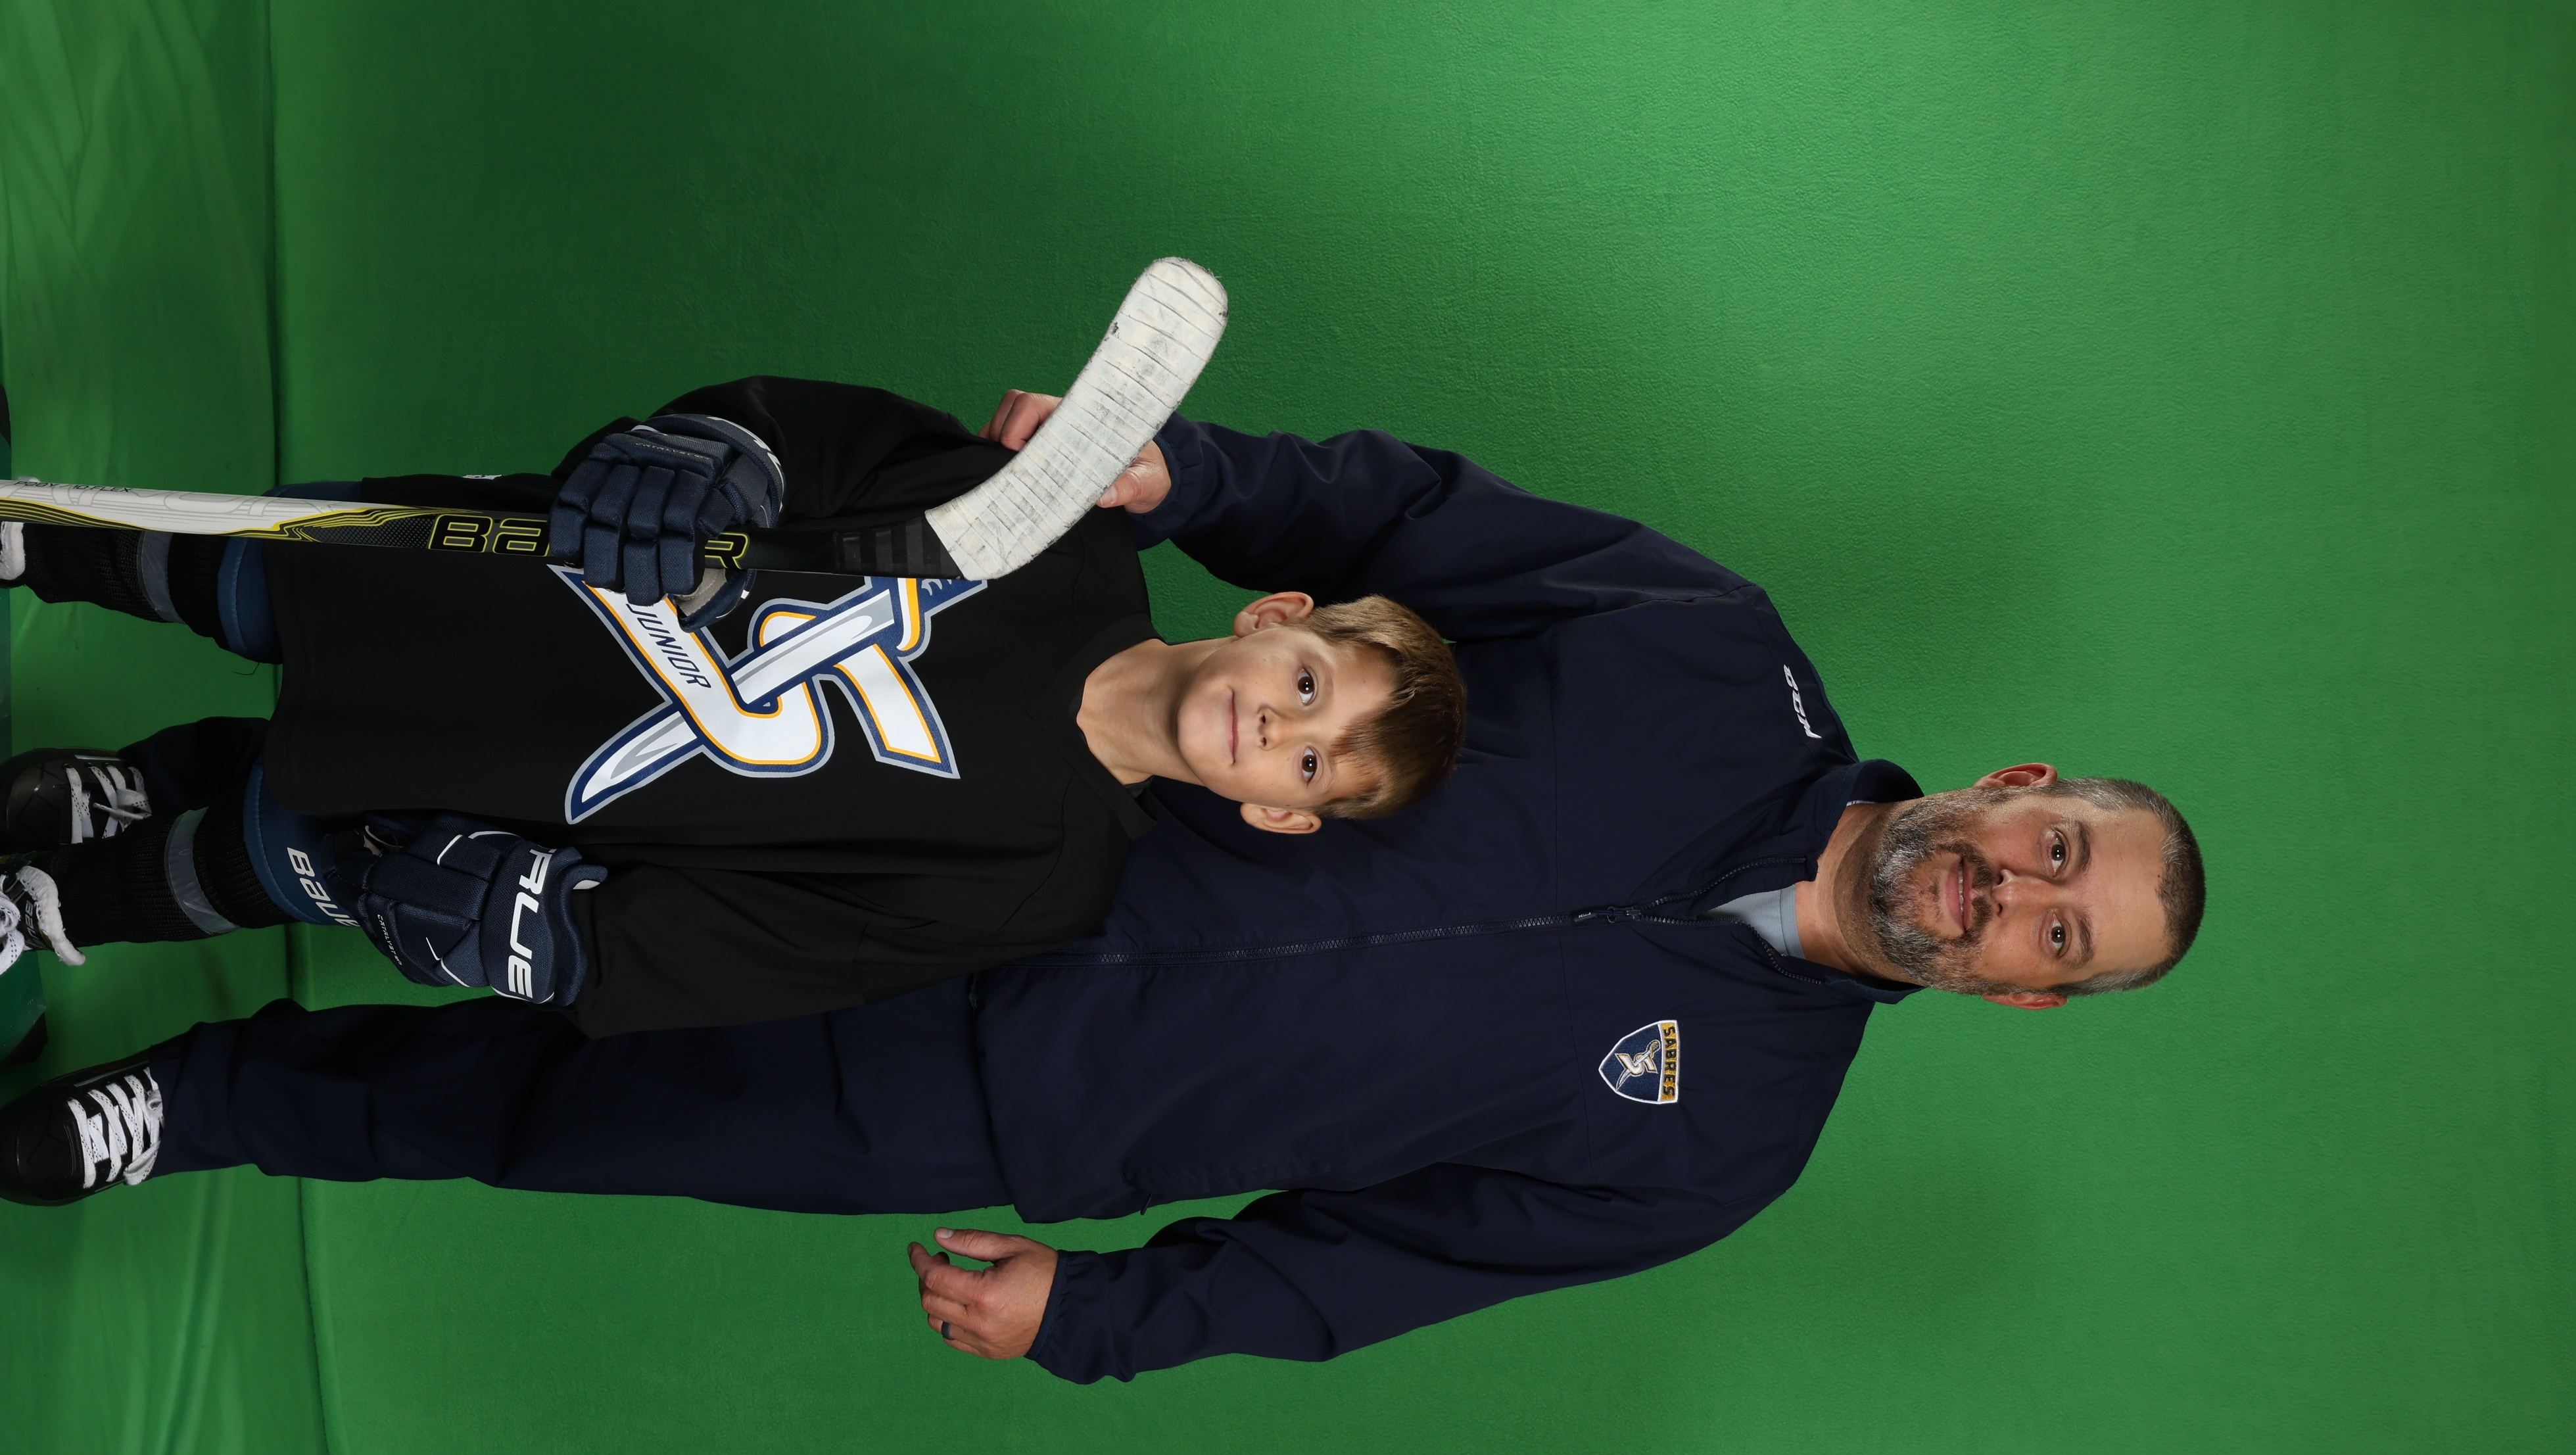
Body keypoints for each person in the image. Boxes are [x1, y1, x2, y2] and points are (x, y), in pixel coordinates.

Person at [0, 390, 2205, 1387]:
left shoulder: (1732, 1145)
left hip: (998, 1101)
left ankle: (207, 1101)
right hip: (987, 826)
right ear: (2018, 781)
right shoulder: (1715, 654)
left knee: (560, 1081)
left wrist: (1114, 1316)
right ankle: (149, 815)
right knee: (588, 777)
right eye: (2055, 842)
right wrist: (1187, 474)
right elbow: (1406, 518)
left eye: (2057, 929)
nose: (2011, 888)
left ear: (2026, 995)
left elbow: (1384, 1263)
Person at [0, 378, 1465, 1033]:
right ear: (1275, 615)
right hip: (500, 590)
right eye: (1310, 684)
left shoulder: (1049, 878)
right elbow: (832, 446)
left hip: (515, 782)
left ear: (1280, 817)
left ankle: (49, 902)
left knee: (265, 854)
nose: (1284, 729)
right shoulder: (1062, 529)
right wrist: (724, 450)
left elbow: (793, 947)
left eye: (1314, 766)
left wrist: (575, 940)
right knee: (242, 576)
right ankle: (25, 537)